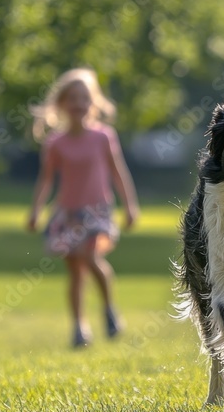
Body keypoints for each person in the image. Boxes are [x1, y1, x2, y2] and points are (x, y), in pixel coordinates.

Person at [27, 68, 140, 348]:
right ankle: (79, 327)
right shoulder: (55, 143)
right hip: (67, 213)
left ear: (93, 103)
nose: (78, 104)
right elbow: (46, 180)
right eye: (72, 98)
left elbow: (118, 172)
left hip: (97, 211)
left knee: (90, 257)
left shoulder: (103, 137)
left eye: (84, 98)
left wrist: (129, 206)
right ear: (62, 104)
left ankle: (109, 308)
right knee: (75, 270)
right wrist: (35, 211)